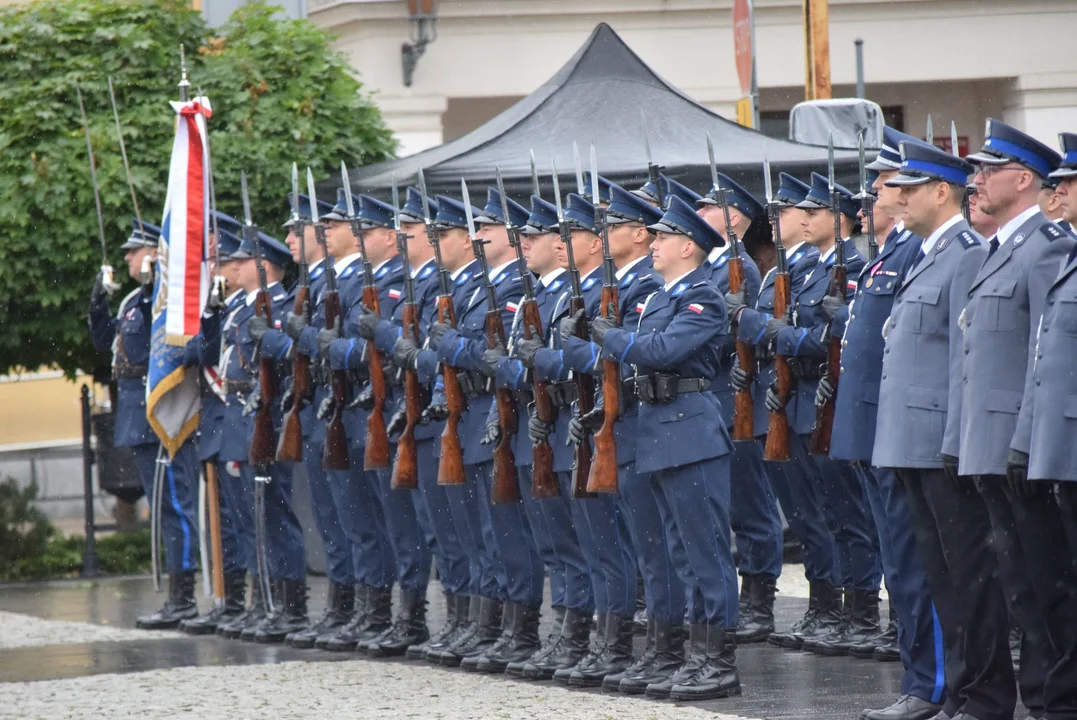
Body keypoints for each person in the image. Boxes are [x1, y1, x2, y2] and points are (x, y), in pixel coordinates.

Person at [592, 194, 741, 701]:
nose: (653, 244)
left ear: (688, 246)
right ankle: (695, 655)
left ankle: (718, 660)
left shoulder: (703, 297)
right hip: (660, 431)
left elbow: (662, 351)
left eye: (663, 237)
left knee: (707, 553)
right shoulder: (660, 298)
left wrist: (608, 338)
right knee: (681, 553)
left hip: (690, 432)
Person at [820, 132, 943, 720]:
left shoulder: (919, 251)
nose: (871, 192)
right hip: (871, 429)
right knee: (900, 562)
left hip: (899, 430)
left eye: (884, 181)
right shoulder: (890, 253)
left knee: (918, 564)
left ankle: (933, 683)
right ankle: (920, 678)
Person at [961, 119, 1076, 720]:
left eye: (987, 169)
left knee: (1045, 589)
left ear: (1022, 178)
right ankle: (1042, 699)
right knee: (1020, 589)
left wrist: (1027, 442)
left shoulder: (1045, 248)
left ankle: (1051, 700)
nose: (974, 179)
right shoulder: (1003, 249)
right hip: (997, 443)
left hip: (1028, 445)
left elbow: (1041, 354)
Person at [524, 190, 641, 688]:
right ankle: (580, 636)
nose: (562, 244)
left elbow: (606, 361)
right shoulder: (567, 293)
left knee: (608, 543)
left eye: (573, 235)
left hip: (599, 426)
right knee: (577, 543)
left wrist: (548, 360)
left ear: (595, 244)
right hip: (569, 425)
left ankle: (612, 643)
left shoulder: (608, 292)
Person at [482, 193, 597, 678]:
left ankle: (583, 636)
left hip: (562, 425)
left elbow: (572, 364)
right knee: (551, 541)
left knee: (581, 541)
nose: (524, 243)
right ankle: (564, 631)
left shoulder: (571, 293)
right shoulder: (534, 294)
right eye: (523, 236)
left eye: (536, 236)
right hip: (534, 426)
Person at [730, 173, 832, 651]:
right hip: (782, 405)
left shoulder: (830, 267)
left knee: (833, 513)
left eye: (786, 212)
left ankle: (845, 609)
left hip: (812, 403)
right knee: (803, 512)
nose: (777, 221)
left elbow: (820, 340)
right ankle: (825, 607)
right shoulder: (776, 273)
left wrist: (767, 333)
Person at [89, 219, 201, 630]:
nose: (128, 258)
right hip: (138, 416)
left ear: (156, 253)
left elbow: (168, 341)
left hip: (164, 414)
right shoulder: (134, 301)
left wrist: (157, 285)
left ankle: (184, 597)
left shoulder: (164, 299)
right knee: (163, 511)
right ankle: (177, 596)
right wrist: (98, 302)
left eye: (135, 251)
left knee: (175, 507)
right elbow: (107, 342)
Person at [394, 193, 485, 663]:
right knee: (450, 530)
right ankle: (462, 619)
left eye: (441, 233)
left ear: (467, 240)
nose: (431, 241)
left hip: (469, 414)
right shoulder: (450, 286)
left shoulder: (473, 287)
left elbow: (458, 353)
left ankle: (487, 624)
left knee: (476, 530)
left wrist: (417, 354)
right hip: (442, 415)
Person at [1009, 132, 1077, 720]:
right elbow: (1042, 357)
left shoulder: (1054, 248)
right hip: (1060, 444)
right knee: (1056, 582)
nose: (1060, 191)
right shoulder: (1070, 254)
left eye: (1070, 182)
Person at [698, 173, 782, 644]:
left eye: (707, 208)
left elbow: (739, 335)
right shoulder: (708, 267)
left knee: (751, 504)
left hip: (736, 400)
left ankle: (759, 598)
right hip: (715, 399)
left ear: (731, 219)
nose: (696, 214)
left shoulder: (739, 269)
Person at [180, 219, 248, 636]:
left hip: (236, 420)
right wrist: (209, 313)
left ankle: (253, 601)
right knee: (223, 519)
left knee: (245, 521)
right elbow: (198, 351)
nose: (220, 271)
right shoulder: (222, 310)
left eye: (223, 261)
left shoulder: (248, 308)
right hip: (217, 424)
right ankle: (231, 598)